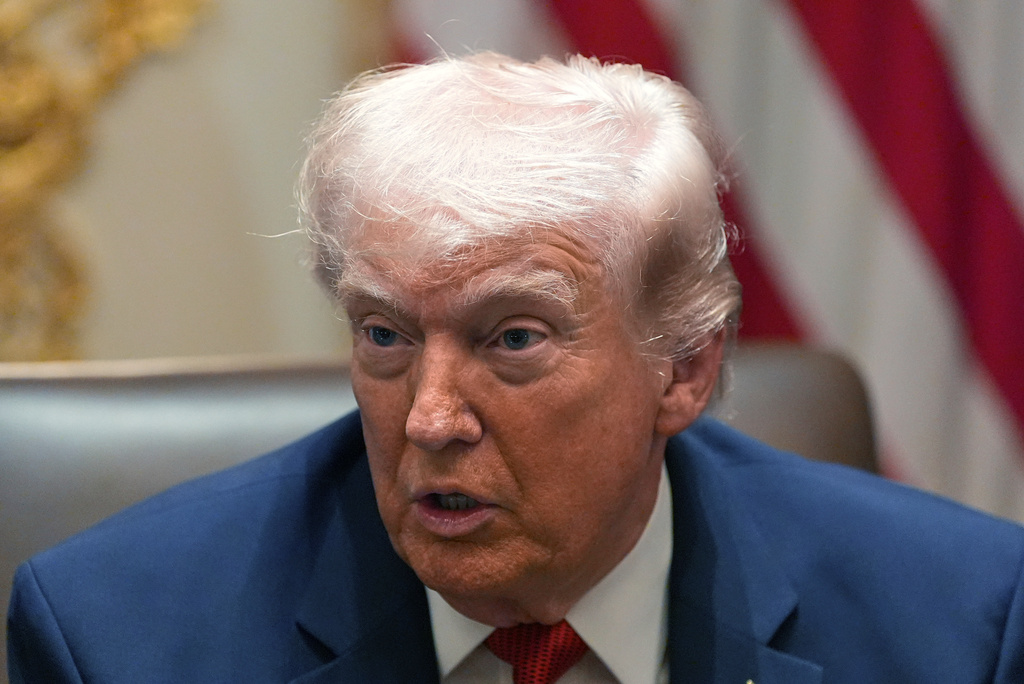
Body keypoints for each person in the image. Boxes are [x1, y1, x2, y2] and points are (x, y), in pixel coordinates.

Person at [7, 52, 1024, 683]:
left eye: (513, 339)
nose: (430, 420)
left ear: (682, 368)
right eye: (386, 336)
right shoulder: (115, 638)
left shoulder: (959, 623)